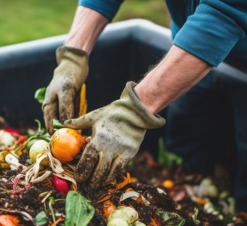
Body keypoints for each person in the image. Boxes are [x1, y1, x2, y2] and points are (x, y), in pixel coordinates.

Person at [42, 0, 247, 211]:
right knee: (183, 151)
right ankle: (195, 206)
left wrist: (134, 111)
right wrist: (73, 54)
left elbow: (227, 10)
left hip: (219, 43)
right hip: (189, 50)